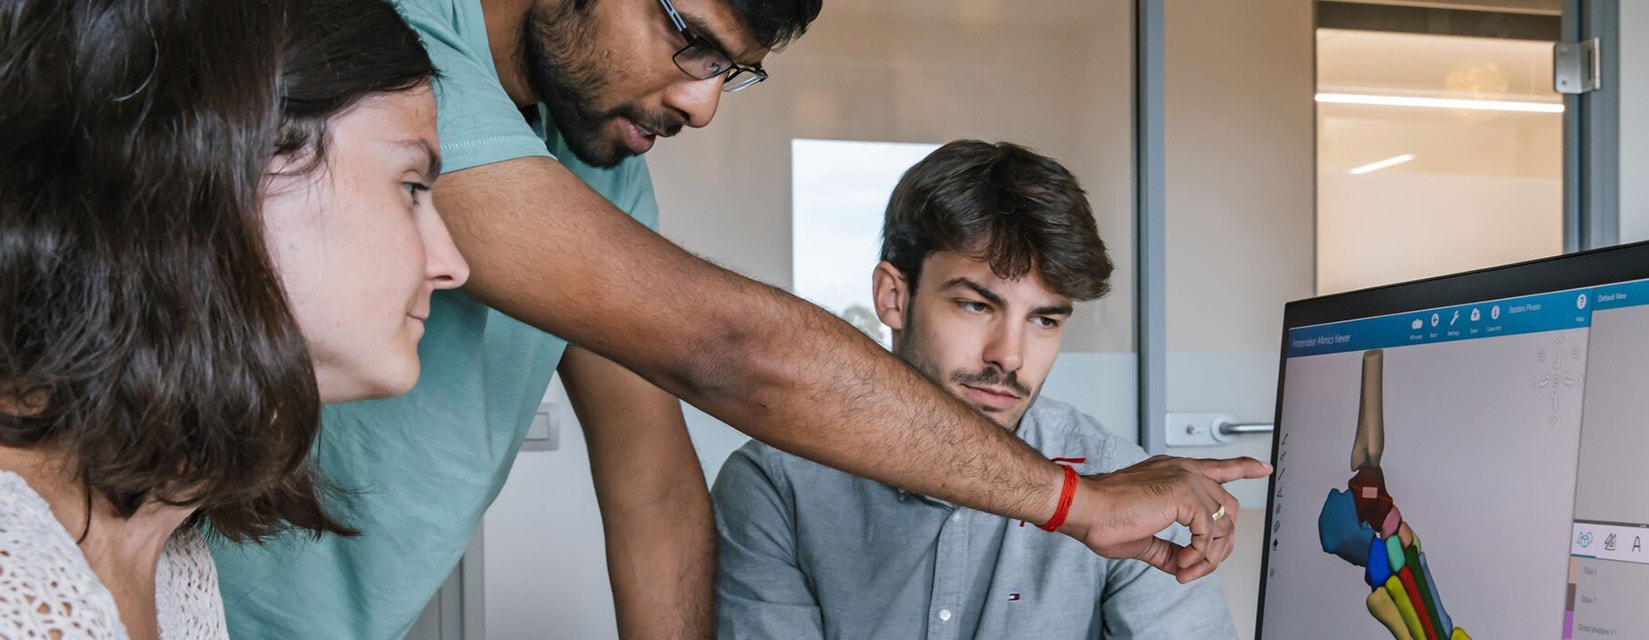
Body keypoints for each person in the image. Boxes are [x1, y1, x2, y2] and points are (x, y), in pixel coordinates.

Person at [213, 0, 1269, 637]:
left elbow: (655, 484)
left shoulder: (600, 169)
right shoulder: (387, 49)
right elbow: (726, 350)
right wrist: (1071, 502)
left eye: (732, 70)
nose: (702, 103)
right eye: (687, 37)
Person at [0, 0, 466, 637]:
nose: (452, 265)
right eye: (411, 186)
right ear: (229, 165)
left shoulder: (173, 560)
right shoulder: (16, 581)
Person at [713, 140, 1237, 639]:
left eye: (1045, 320)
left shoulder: (1119, 479)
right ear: (893, 297)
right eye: (976, 305)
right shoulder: (776, 485)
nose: (1009, 356)